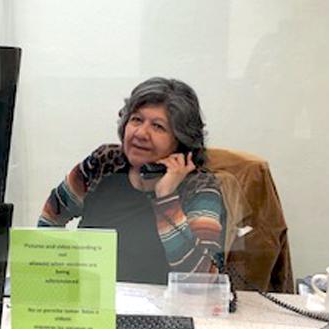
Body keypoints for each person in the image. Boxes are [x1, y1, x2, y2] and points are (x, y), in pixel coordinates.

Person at [39, 77, 225, 284]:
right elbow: (50, 217)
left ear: (181, 141)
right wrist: (57, 279)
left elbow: (203, 278)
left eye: (158, 126)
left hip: (164, 309)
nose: (141, 133)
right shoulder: (103, 163)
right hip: (92, 304)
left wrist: (167, 199)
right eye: (136, 119)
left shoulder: (199, 187)